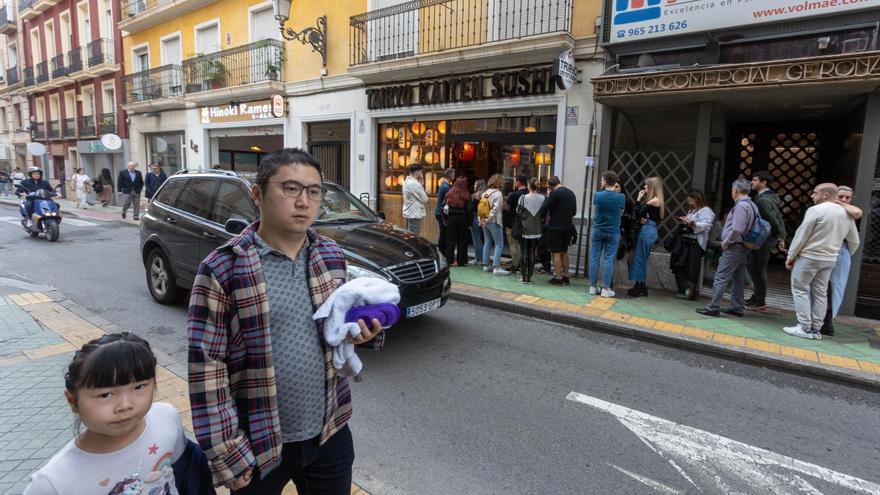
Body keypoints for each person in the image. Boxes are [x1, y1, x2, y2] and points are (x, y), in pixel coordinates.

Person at [187, 148, 384, 493]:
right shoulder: (223, 268)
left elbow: (338, 330)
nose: (304, 202)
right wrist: (225, 453)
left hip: (329, 431)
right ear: (258, 194)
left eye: (313, 191)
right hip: (257, 441)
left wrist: (363, 333)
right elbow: (207, 366)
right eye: (290, 189)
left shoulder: (331, 256)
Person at [23, 333, 188, 495]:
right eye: (105, 395)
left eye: (139, 387)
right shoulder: (53, 483)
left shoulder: (167, 419)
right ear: (73, 401)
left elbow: (183, 472)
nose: (125, 405)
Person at [784, 183, 860, 340]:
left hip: (809, 256)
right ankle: (816, 329)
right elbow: (854, 240)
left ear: (825, 195)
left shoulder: (815, 210)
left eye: (815, 192)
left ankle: (804, 327)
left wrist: (791, 256)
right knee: (821, 293)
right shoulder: (846, 214)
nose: (812, 195)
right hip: (830, 258)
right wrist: (838, 252)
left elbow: (801, 235)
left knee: (800, 290)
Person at [696, 179, 758, 317]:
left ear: (735, 190)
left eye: (732, 190)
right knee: (738, 277)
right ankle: (737, 306)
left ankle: (713, 306)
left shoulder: (741, 206)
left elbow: (737, 228)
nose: (732, 192)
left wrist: (726, 242)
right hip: (743, 247)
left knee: (721, 276)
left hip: (735, 246)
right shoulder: (751, 204)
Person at [820, 186, 862, 336]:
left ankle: (828, 320)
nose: (844, 199)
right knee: (819, 284)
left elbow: (857, 212)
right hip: (823, 247)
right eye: (841, 196)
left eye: (847, 197)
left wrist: (839, 203)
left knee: (836, 285)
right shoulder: (824, 208)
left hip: (841, 250)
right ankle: (816, 317)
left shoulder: (850, 212)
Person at [744, 171, 788, 312]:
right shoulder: (768, 197)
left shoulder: (763, 200)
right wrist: (781, 236)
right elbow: (778, 217)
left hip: (764, 238)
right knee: (754, 267)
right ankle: (757, 297)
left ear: (764, 183)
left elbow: (775, 220)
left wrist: (781, 235)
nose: (752, 182)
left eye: (755, 180)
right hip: (766, 237)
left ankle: (760, 301)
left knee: (758, 268)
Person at [670, 190, 715, 300]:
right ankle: (686, 290)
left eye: (692, 199)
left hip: (695, 243)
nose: (690, 201)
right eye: (689, 199)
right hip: (685, 241)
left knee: (692, 269)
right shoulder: (692, 210)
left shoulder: (706, 210)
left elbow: (706, 225)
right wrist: (685, 221)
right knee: (679, 266)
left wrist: (692, 223)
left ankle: (690, 293)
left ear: (698, 198)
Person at [589, 171, 627, 297]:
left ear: (605, 181)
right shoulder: (621, 197)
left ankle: (593, 287)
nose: (600, 182)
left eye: (601, 180)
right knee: (608, 260)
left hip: (598, 230)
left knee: (594, 258)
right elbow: (620, 214)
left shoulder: (597, 195)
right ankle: (606, 289)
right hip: (613, 231)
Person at [627, 177, 665, 297]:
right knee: (641, 258)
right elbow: (641, 215)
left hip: (647, 231)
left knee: (640, 259)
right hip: (649, 230)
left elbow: (637, 213)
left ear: (652, 187)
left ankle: (639, 288)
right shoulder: (656, 200)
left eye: (646, 186)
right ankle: (641, 286)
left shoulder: (653, 200)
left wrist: (638, 200)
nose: (644, 188)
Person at [540, 176, 577, 285]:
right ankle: (566, 275)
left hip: (556, 227)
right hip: (568, 226)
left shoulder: (555, 193)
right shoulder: (571, 193)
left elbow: (546, 207)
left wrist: (543, 216)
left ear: (551, 186)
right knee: (564, 252)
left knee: (555, 252)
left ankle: (558, 277)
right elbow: (574, 212)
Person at [479, 173, 508, 276]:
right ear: (500, 182)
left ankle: (486, 266)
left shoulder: (485, 193)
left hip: (484, 221)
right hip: (494, 221)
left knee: (487, 242)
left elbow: (481, 207)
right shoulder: (498, 194)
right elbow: (495, 210)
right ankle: (496, 267)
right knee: (499, 244)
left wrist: (482, 220)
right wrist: (488, 219)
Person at [517, 178, 546, 284]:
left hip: (525, 228)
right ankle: (529, 277)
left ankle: (523, 277)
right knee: (532, 252)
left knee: (523, 252)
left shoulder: (523, 197)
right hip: (537, 228)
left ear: (529, 185)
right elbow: (544, 212)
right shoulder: (542, 198)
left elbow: (518, 211)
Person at [444, 177, 471, 266]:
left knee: (450, 240)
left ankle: (449, 259)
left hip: (451, 218)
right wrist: (469, 222)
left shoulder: (450, 193)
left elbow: (445, 207)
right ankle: (461, 260)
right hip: (462, 218)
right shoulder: (466, 195)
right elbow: (469, 210)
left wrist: (446, 219)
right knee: (462, 240)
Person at [503, 175, 528, 273]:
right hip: (526, 222)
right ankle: (523, 265)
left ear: (518, 182)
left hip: (512, 222)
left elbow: (506, 207)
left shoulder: (514, 194)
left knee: (513, 244)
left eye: (515, 181)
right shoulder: (529, 194)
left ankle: (515, 265)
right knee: (523, 245)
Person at [401, 164, 428, 234]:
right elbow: (425, 199)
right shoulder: (414, 184)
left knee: (409, 233)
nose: (422, 174)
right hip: (414, 213)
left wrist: (420, 185)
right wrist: (420, 186)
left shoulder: (407, 181)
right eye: (421, 172)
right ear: (417, 172)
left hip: (410, 212)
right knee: (413, 236)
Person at [435, 168, 455, 252]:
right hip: (441, 212)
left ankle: (442, 251)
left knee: (443, 232)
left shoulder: (445, 185)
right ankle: (442, 252)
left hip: (440, 211)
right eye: (453, 174)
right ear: (449, 175)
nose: (454, 176)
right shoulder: (446, 187)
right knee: (443, 233)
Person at [469, 179, 486, 265]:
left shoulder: (476, 196)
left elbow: (471, 209)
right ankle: (483, 258)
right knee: (481, 239)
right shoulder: (485, 195)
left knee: (476, 239)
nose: (474, 186)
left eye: (475, 185)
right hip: (483, 218)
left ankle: (478, 259)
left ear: (479, 186)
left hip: (475, 217)